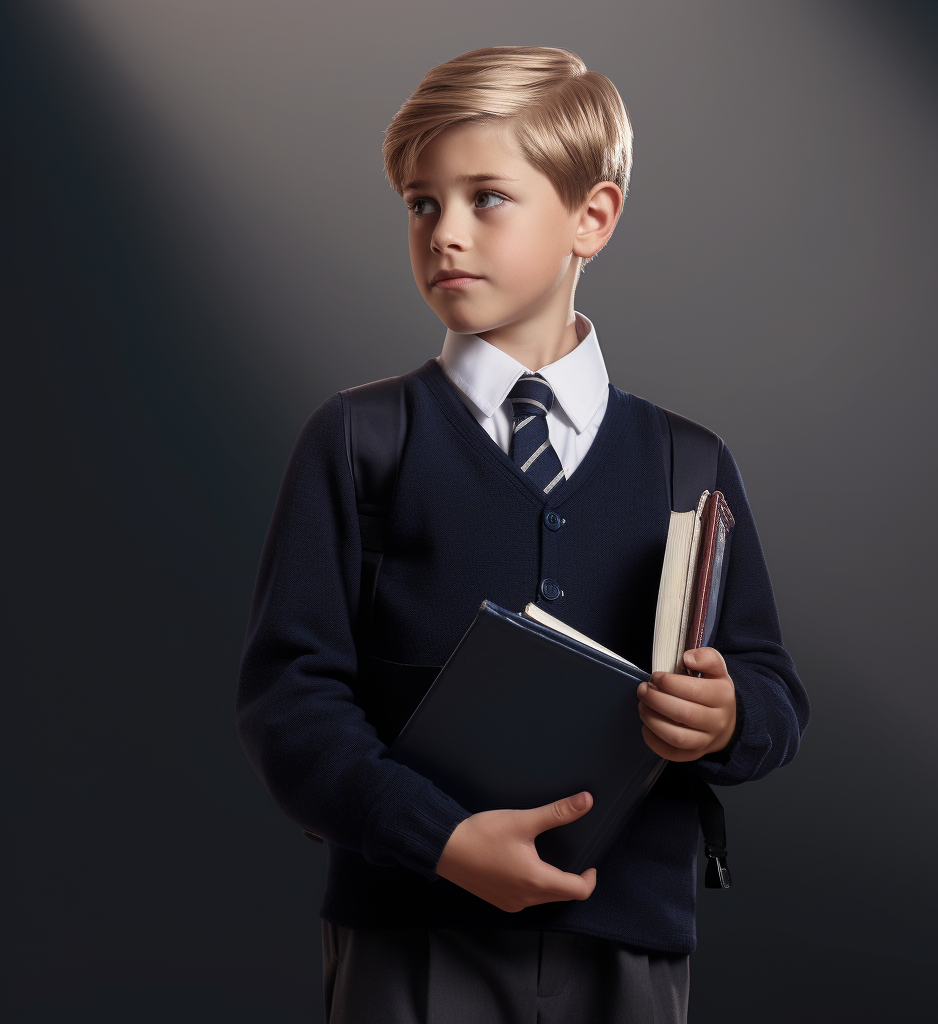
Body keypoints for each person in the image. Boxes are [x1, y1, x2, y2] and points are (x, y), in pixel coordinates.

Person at [236, 45, 810, 1024]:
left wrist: (725, 718)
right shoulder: (360, 439)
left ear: (592, 216)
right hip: (408, 936)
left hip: (628, 943)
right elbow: (290, 699)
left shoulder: (691, 462)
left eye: (486, 198)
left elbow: (772, 690)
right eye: (422, 204)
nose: (444, 233)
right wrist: (438, 838)